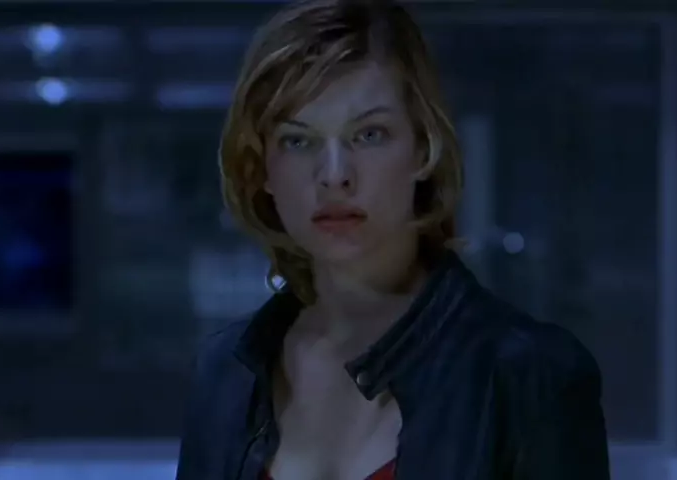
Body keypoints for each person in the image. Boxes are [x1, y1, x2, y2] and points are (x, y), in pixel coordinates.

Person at [175, 0, 610, 479]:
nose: (334, 175)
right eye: (298, 141)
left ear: (423, 149)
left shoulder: (529, 377)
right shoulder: (227, 374)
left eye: (369, 135)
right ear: (262, 170)